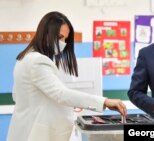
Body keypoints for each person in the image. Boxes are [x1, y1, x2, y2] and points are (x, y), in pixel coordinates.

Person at [7, 11, 127, 141]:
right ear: (46, 33)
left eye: (65, 38)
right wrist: (104, 101)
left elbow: (18, 95)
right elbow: (61, 94)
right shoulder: (38, 61)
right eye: (59, 37)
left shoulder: (25, 58)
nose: (63, 43)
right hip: (35, 134)